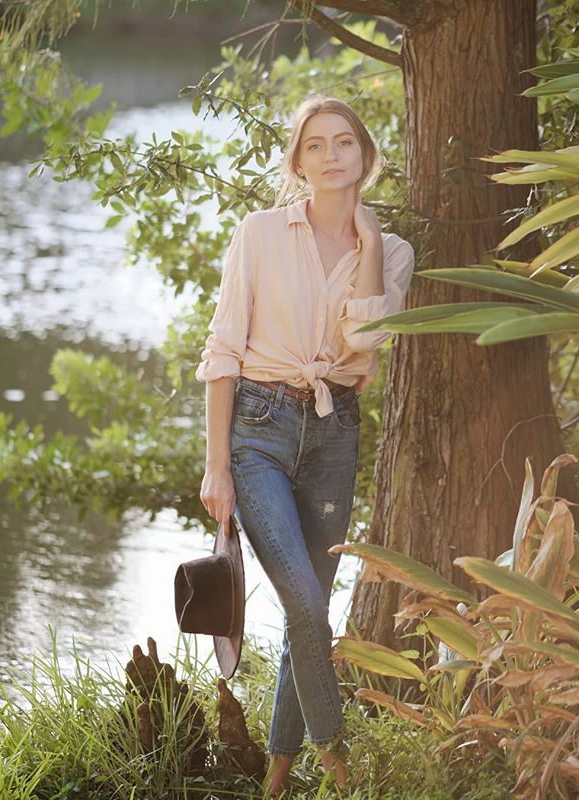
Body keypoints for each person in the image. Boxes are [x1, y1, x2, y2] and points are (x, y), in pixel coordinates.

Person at [196, 94, 415, 796]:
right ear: (297, 161)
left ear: (365, 156)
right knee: (307, 604)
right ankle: (338, 765)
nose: (330, 156)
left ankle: (278, 775)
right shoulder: (258, 234)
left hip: (335, 433)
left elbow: (366, 345)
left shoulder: (394, 253)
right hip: (257, 429)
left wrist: (372, 246)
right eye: (314, 145)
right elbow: (223, 350)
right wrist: (216, 465)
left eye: (343, 142)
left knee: (308, 606)